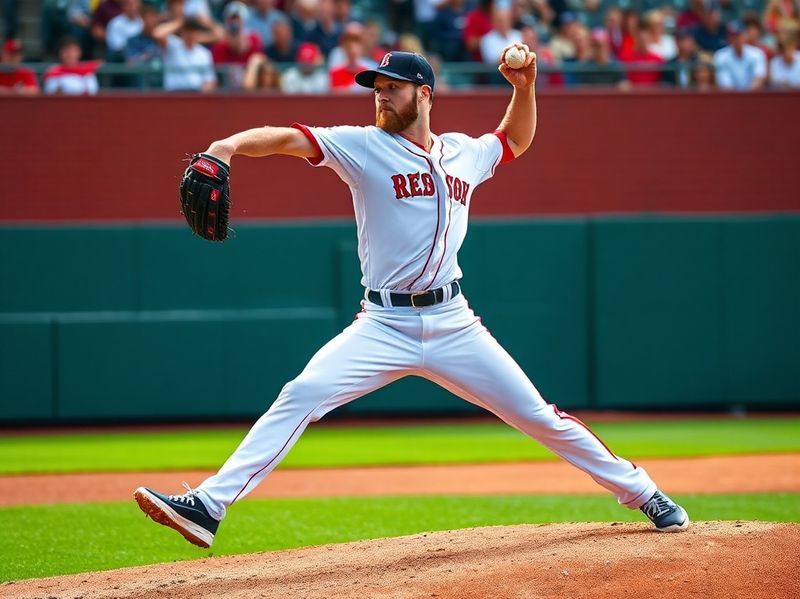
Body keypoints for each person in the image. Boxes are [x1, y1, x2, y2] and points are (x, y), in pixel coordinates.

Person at [134, 46, 690, 549]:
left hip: (454, 323)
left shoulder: (463, 153)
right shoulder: (362, 146)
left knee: (540, 417)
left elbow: (514, 140)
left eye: (392, 87)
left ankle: (644, 493)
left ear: (424, 94)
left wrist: (524, 88)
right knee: (301, 393)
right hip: (382, 324)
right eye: (376, 88)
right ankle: (208, 506)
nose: (381, 96)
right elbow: (286, 138)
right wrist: (226, 146)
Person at [153, 16, 221, 92]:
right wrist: (181, 22)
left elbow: (210, 80)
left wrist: (207, 22)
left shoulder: (204, 53)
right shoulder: (173, 45)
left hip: (196, 94)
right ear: (182, 31)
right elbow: (157, 34)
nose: (190, 33)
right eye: (187, 30)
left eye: (193, 30)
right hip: (173, 94)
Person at [713, 20, 767, 90]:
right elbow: (725, 84)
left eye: (739, 35)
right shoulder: (720, 56)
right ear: (728, 38)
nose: (736, 39)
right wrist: (739, 96)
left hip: (753, 95)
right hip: (730, 96)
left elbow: (759, 78)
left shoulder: (757, 53)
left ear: (745, 35)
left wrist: (746, 94)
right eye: (733, 36)